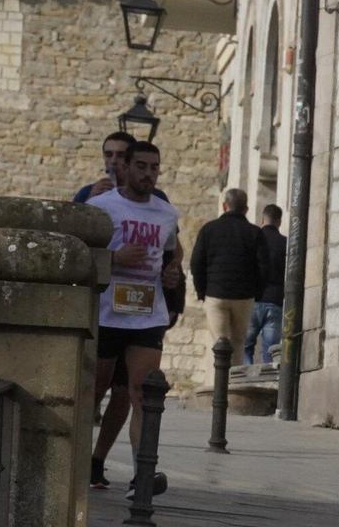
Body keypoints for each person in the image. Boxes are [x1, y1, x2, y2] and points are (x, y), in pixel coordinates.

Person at [85, 140, 182, 494]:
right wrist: (114, 259)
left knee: (143, 392)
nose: (148, 174)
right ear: (125, 167)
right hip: (107, 312)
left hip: (146, 314)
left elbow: (173, 255)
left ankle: (143, 472)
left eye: (154, 167)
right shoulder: (100, 207)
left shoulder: (166, 213)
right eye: (141, 166)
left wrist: (172, 275)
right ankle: (76, 463)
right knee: (93, 390)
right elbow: (80, 255)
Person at [189, 189, 267, 367]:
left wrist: (202, 291)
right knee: (239, 342)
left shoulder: (209, 230)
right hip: (244, 296)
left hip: (216, 293)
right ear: (246, 209)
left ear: (225, 206)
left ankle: (219, 386)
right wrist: (257, 293)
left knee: (219, 343)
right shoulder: (254, 233)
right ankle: (233, 386)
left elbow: (196, 263)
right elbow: (263, 267)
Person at [73, 131, 168, 204]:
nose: (113, 161)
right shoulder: (87, 192)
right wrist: (90, 200)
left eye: (121, 155)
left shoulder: (157, 197)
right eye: (109, 155)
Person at [245, 205, 287, 365]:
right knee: (270, 350)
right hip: (275, 300)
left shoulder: (253, 239)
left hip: (253, 299)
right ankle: (267, 383)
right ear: (279, 221)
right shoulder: (285, 243)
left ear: (262, 219)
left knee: (246, 346)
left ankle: (244, 381)